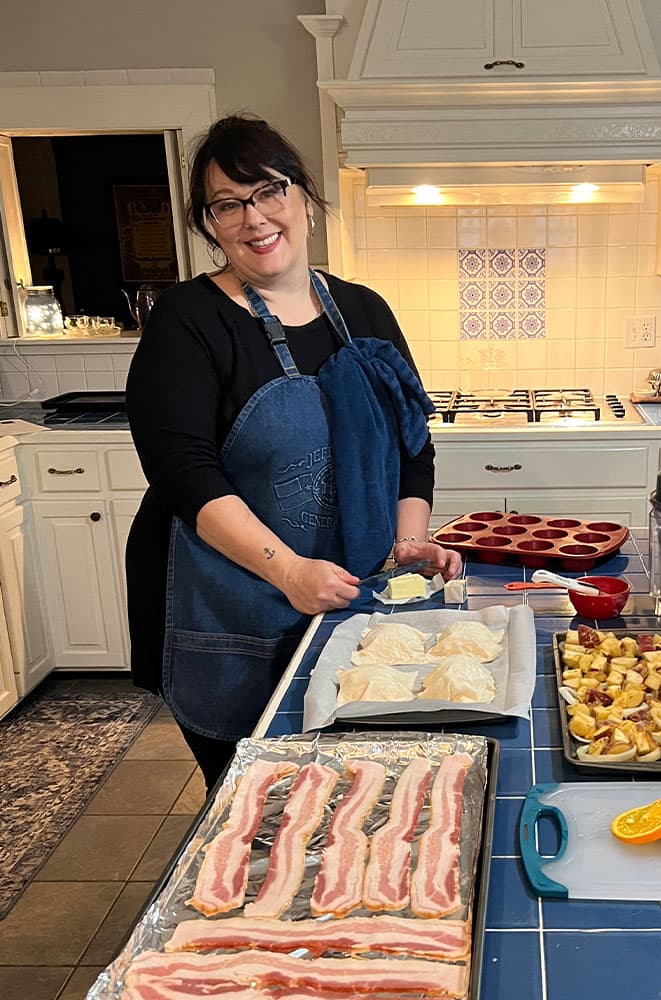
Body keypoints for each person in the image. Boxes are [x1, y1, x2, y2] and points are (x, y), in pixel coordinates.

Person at [125, 114, 461, 791]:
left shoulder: (364, 309)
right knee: (264, 809)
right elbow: (184, 475)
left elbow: (412, 443)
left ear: (304, 197)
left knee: (355, 789)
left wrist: (407, 540)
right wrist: (288, 573)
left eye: (270, 191)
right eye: (228, 204)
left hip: (341, 597)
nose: (255, 218)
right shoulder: (189, 320)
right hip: (228, 609)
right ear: (209, 224)